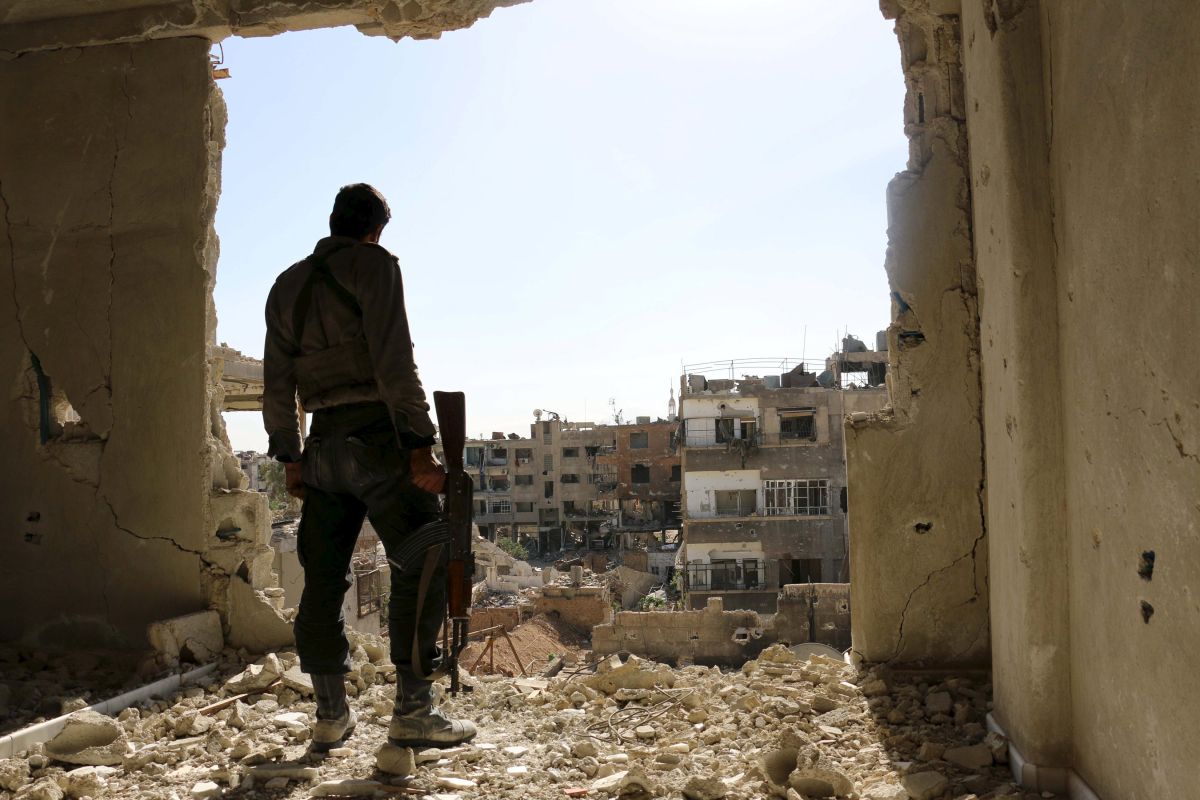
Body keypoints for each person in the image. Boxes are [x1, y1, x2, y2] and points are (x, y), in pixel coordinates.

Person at [262, 183, 476, 756]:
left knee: (322, 579)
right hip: (378, 438)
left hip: (322, 446)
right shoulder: (374, 266)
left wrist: (290, 458)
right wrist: (419, 445)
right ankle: (414, 713)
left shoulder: (286, 285)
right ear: (376, 230)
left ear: (334, 222)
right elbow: (394, 358)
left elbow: (277, 382)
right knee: (424, 560)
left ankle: (330, 716)